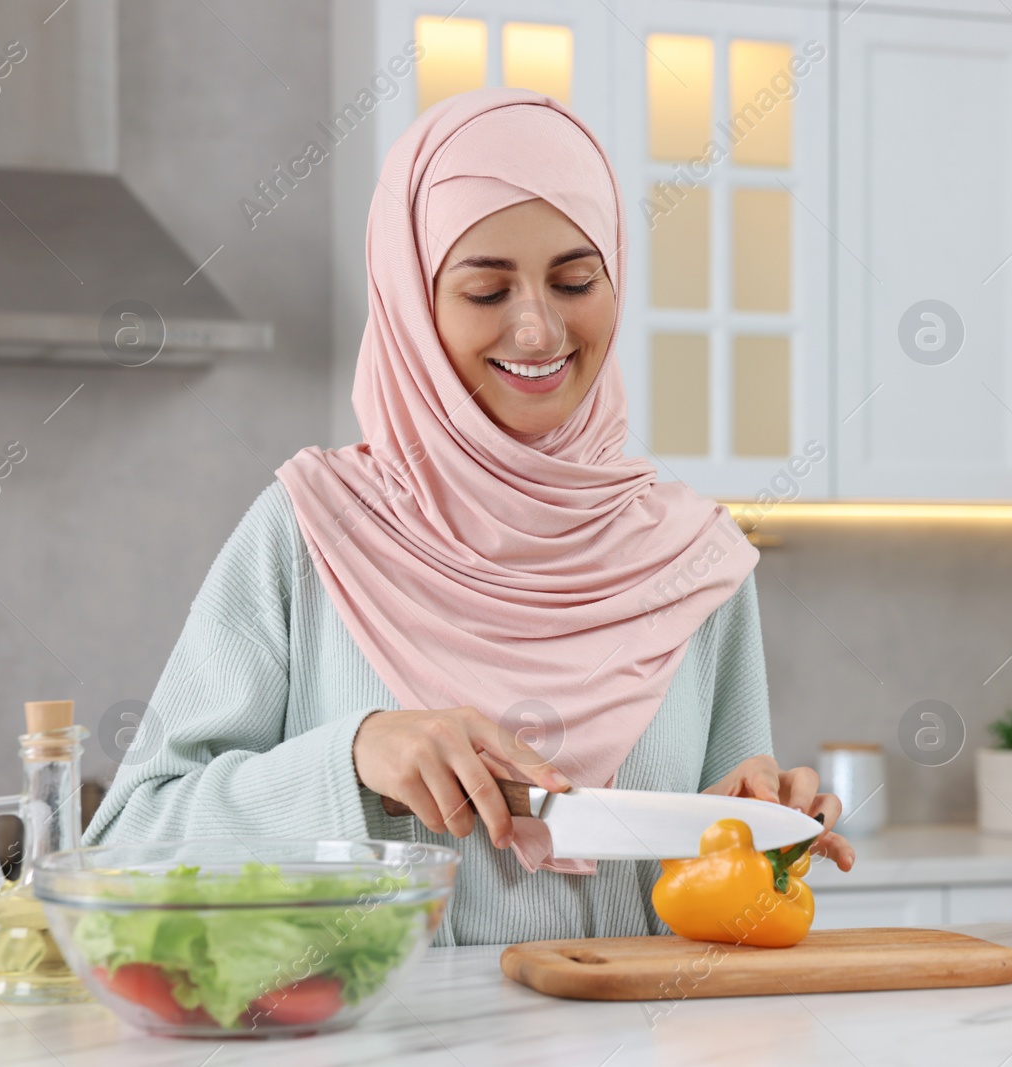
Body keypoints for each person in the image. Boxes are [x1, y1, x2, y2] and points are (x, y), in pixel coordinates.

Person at [85, 88, 854, 945]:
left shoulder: (695, 563)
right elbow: (126, 846)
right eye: (486, 290)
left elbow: (724, 895)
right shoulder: (305, 535)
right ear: (413, 303)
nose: (538, 328)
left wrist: (756, 831)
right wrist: (350, 759)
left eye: (575, 280)